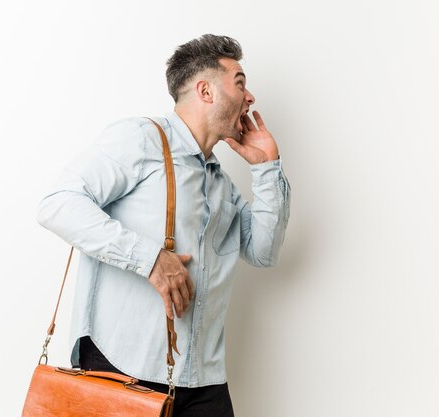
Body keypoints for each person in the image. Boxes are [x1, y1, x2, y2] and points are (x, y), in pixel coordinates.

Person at [35, 34, 291, 416]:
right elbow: (58, 204)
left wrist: (267, 168)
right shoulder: (141, 139)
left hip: (203, 380)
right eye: (239, 82)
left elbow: (263, 252)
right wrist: (150, 259)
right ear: (205, 90)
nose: (250, 96)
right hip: (122, 370)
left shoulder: (220, 183)